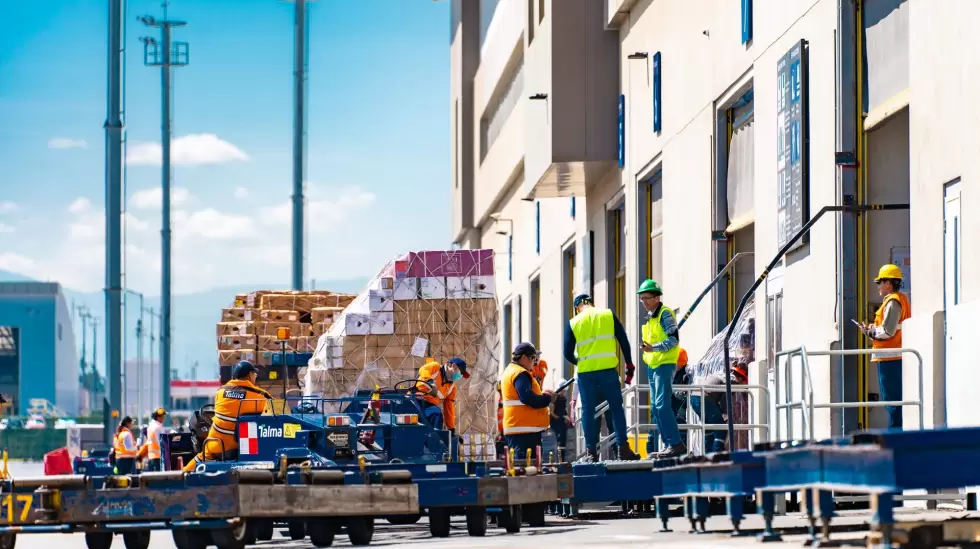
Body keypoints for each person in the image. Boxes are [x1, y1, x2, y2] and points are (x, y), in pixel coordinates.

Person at [564, 294, 640, 462]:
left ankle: (591, 453)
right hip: (608, 372)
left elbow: (567, 352)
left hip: (586, 375)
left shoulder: (574, 322)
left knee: (588, 412)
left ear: (577, 308)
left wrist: (580, 361)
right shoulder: (607, 314)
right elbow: (623, 339)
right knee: (616, 409)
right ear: (591, 303)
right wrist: (629, 364)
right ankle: (622, 449)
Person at [183, 361, 272, 472]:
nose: (255, 377)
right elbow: (275, 415)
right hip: (239, 447)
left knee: (202, 456)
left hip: (213, 444)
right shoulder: (261, 396)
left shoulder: (220, 392)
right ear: (250, 375)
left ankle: (182, 474)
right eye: (255, 374)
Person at [857, 264, 911, 430]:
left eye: (879, 282)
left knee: (893, 401)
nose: (878, 286)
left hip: (891, 358)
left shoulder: (893, 302)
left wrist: (869, 332)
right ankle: (898, 433)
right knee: (894, 400)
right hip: (894, 356)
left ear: (888, 283)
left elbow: (888, 331)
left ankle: (896, 436)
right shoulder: (898, 300)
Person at [638, 279, 687, 458]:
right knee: (656, 407)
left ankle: (675, 444)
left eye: (647, 298)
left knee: (662, 405)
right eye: (641, 299)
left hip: (663, 364)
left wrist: (653, 348)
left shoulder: (664, 314)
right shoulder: (651, 316)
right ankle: (669, 445)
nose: (644, 302)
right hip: (653, 366)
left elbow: (673, 339)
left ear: (657, 297)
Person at [501, 342, 553, 461]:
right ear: (524, 357)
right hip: (524, 432)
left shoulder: (511, 371)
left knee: (523, 468)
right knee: (527, 468)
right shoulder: (520, 373)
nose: (535, 363)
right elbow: (527, 397)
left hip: (520, 430)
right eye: (533, 358)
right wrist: (547, 398)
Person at [691, 361, 747, 454]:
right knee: (720, 427)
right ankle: (717, 452)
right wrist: (725, 413)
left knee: (709, 427)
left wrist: (719, 410)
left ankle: (708, 453)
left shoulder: (722, 374)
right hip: (705, 399)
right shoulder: (733, 381)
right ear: (740, 377)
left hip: (694, 398)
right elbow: (725, 398)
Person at [648, 347, 689, 455]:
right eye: (677, 365)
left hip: (676, 406)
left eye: (680, 366)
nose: (678, 367)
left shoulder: (683, 374)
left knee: (676, 419)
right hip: (668, 405)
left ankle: (674, 446)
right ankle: (655, 449)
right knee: (655, 417)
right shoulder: (665, 368)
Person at [415, 357, 469, 436]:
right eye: (460, 373)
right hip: (415, 400)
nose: (460, 376)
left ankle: (434, 442)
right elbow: (423, 369)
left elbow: (449, 407)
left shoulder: (452, 387)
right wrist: (429, 380)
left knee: (437, 414)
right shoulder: (435, 367)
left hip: (430, 406)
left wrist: (451, 428)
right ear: (453, 366)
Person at [549, 386, 572, 461]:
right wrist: (562, 417)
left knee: (563, 443)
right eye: (564, 391)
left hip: (562, 424)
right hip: (556, 424)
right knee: (558, 443)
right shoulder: (555, 398)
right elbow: (552, 412)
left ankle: (562, 461)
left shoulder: (563, 399)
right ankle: (559, 461)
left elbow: (564, 410)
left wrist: (566, 417)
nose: (565, 393)